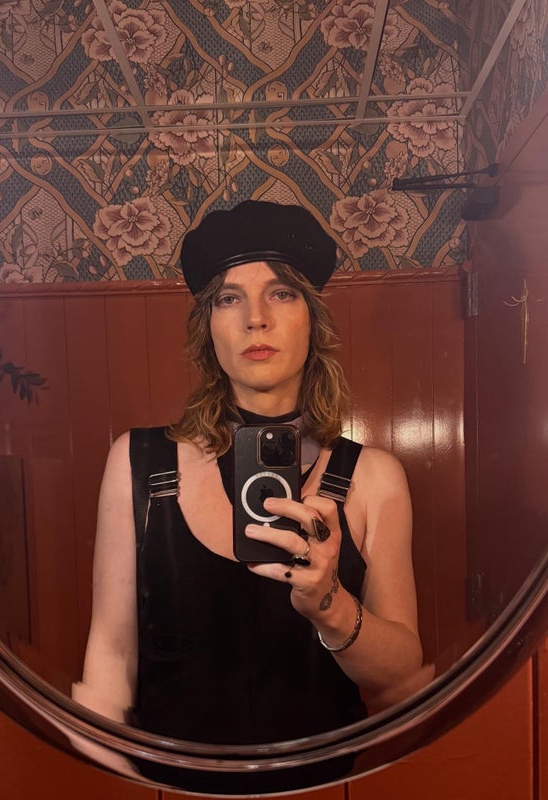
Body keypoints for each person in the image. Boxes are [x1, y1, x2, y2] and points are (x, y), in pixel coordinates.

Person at [73, 200, 425, 746]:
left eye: (281, 293)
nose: (255, 318)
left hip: (323, 782)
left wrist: (331, 605)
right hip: (171, 781)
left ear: (313, 318)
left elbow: (402, 678)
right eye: (228, 298)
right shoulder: (138, 462)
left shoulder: (374, 479)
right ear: (208, 329)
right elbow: (110, 661)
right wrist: (111, 774)